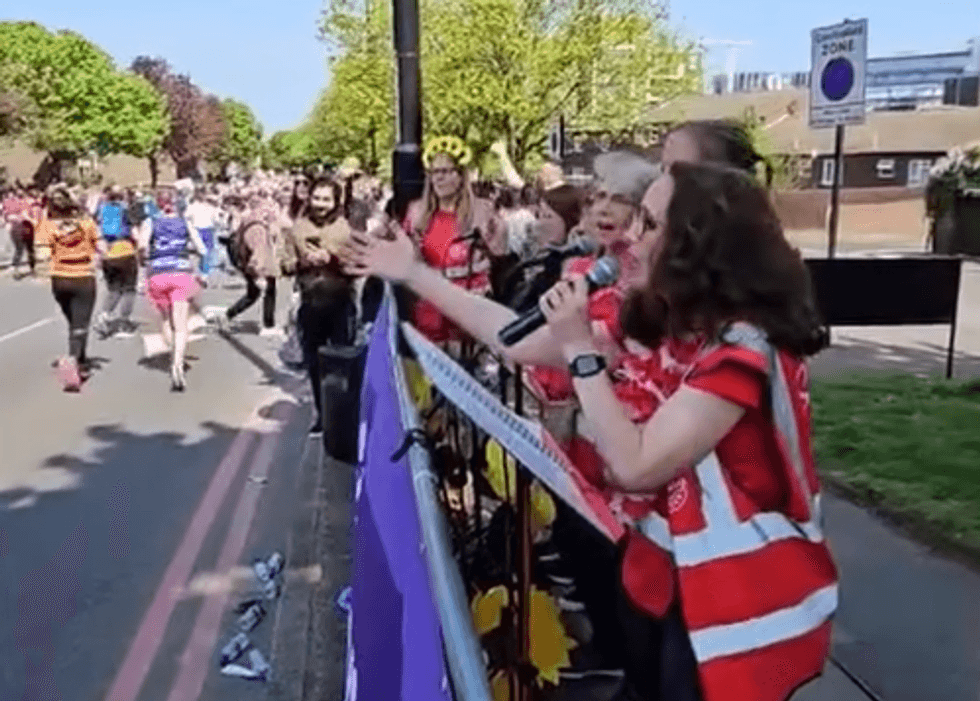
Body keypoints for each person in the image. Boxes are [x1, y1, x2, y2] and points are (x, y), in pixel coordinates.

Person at [344, 162, 839, 700]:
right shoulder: (667, 320)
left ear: (696, 245)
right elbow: (515, 340)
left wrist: (580, 349)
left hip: (733, 604)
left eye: (647, 223)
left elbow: (635, 464)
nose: (628, 234)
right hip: (664, 579)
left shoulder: (742, 349)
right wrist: (417, 275)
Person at [401, 135, 506, 343]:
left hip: (469, 311)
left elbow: (500, 256)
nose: (438, 178)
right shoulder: (416, 212)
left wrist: (495, 234)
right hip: (429, 308)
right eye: (433, 172)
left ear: (461, 175)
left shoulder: (482, 210)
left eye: (446, 171)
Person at [280, 176, 356, 434]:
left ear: (336, 202)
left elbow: (357, 268)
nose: (320, 204)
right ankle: (323, 415)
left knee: (342, 363)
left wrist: (332, 259)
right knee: (315, 364)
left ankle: (343, 416)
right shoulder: (297, 229)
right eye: (316, 198)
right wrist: (304, 262)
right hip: (310, 305)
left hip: (340, 303)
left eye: (326, 199)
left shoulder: (346, 230)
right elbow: (285, 265)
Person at [139, 190, 207, 391]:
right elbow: (202, 249)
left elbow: (142, 247)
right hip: (180, 274)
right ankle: (178, 363)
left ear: (158, 204)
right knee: (181, 324)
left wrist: (148, 259)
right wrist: (198, 263)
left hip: (158, 275)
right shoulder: (185, 223)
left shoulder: (150, 222)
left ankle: (173, 352)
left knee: (167, 321)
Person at [35, 186, 101, 391]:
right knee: (80, 322)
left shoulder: (46, 226)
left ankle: (80, 358)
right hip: (83, 276)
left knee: (73, 320)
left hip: (60, 278)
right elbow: (100, 247)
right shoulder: (87, 223)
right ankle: (74, 362)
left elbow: (42, 255)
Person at [223, 191, 283, 335]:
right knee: (269, 293)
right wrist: (258, 273)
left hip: (253, 267)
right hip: (261, 268)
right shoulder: (257, 226)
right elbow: (258, 250)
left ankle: (229, 314)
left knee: (252, 294)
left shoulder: (251, 222)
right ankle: (268, 326)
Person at [94, 186, 140, 338]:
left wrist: (100, 254)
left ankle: (105, 314)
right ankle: (123, 323)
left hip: (108, 252)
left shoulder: (101, 209)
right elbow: (134, 230)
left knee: (114, 289)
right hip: (125, 250)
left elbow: (97, 230)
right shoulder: (125, 209)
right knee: (129, 289)